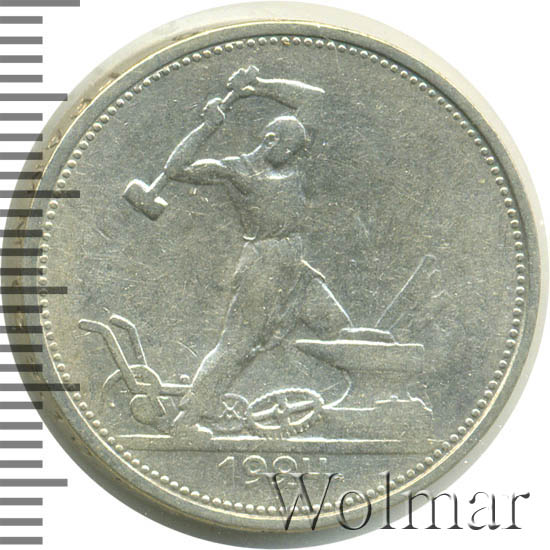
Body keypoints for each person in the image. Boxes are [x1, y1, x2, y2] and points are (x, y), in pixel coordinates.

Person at [164, 66, 352, 435]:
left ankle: (348, 410)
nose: (294, 155)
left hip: (295, 267)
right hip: (263, 268)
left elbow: (314, 98)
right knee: (236, 345)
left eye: (297, 150)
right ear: (270, 140)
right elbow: (175, 169)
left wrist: (258, 86)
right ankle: (187, 419)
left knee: (338, 326)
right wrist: (207, 127)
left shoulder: (292, 157)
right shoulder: (237, 170)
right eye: (288, 149)